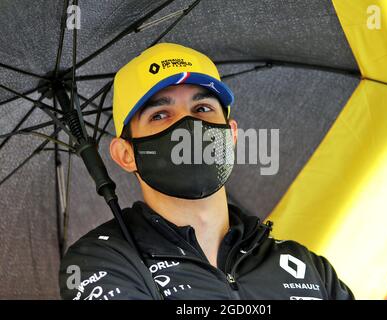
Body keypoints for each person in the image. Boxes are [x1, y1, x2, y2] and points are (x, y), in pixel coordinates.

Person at [59, 43, 354, 300]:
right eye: (160, 115)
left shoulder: (308, 268)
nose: (189, 127)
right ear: (126, 154)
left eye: (202, 109)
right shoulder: (102, 262)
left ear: (232, 135)